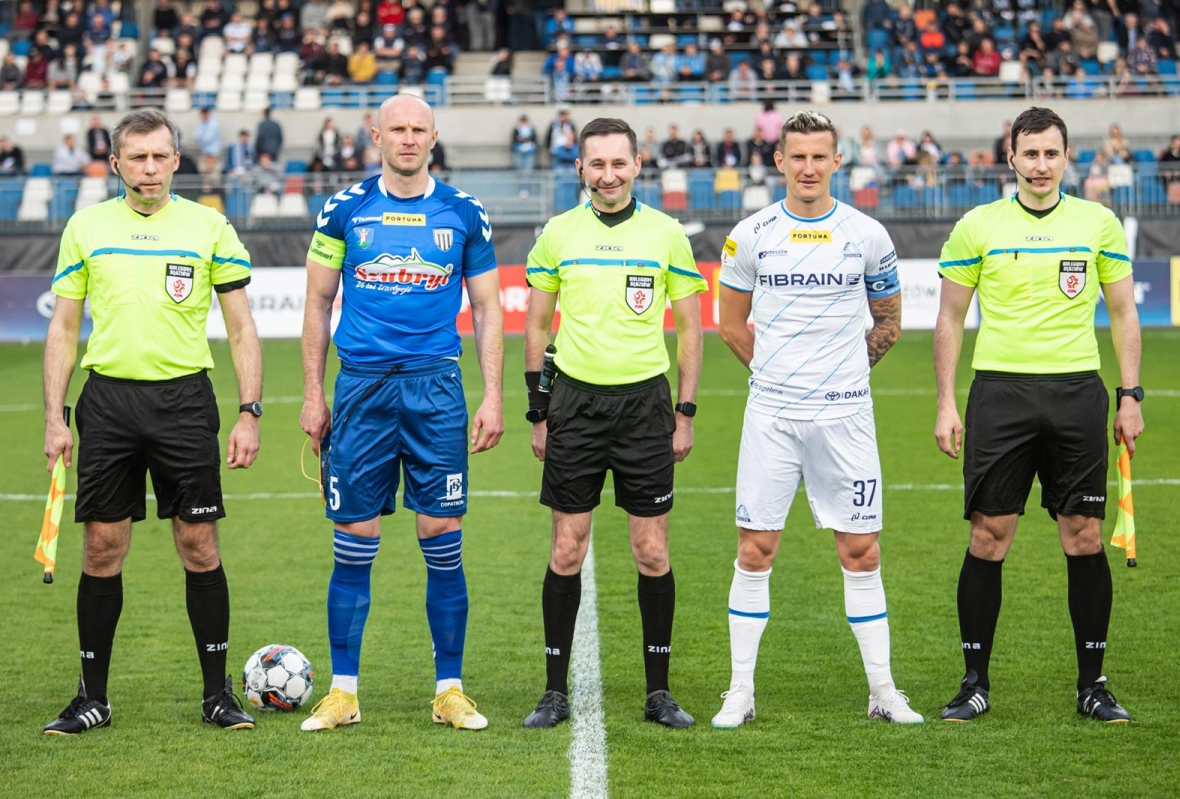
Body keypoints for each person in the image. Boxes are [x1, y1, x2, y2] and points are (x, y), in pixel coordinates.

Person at [41, 109, 262, 735]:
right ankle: (92, 698)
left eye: (160, 156)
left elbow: (241, 328)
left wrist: (249, 411)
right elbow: (63, 329)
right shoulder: (86, 227)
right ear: (116, 164)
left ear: (176, 160)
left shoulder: (209, 226)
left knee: (199, 544)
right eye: (136, 158)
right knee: (101, 547)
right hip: (108, 402)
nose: (149, 169)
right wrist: (56, 417)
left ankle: (217, 695)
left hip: (184, 403)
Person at [710, 110, 921, 729]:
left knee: (862, 550)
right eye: (797, 156)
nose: (808, 168)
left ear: (836, 161)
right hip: (772, 416)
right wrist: (778, 376)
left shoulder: (868, 234)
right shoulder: (749, 235)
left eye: (819, 156)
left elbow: (889, 322)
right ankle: (740, 692)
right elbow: (730, 325)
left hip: (845, 418)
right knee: (755, 548)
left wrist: (842, 376)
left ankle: (883, 690)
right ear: (780, 161)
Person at [299, 94, 503, 732]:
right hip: (361, 389)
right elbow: (317, 303)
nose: (408, 139)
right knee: (354, 538)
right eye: (398, 129)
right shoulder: (343, 209)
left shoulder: (464, 212)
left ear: (433, 137)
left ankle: (450, 690)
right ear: (376, 135)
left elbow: (488, 308)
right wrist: (313, 393)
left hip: (435, 389)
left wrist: (494, 394)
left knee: (441, 534)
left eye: (419, 129)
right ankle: (343, 692)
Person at [933, 106, 1143, 723]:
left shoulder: (1098, 223)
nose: (1041, 164)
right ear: (1011, 158)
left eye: (1051, 153)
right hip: (1000, 395)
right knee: (988, 536)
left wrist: (1130, 395)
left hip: (1078, 393)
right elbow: (949, 318)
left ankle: (1092, 684)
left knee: (1084, 536)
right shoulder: (978, 225)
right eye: (1030, 153)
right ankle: (974, 683)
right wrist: (946, 402)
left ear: (1066, 157)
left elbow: (1124, 313)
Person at [521, 117, 707, 730]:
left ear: (637, 165)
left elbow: (690, 330)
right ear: (580, 168)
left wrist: (685, 413)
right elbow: (537, 326)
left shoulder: (667, 234)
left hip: (645, 407)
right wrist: (538, 411)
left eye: (618, 164)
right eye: (596, 165)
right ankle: (554, 692)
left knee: (651, 551)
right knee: (566, 547)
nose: (608, 175)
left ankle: (659, 693)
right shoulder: (558, 233)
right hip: (574, 405)